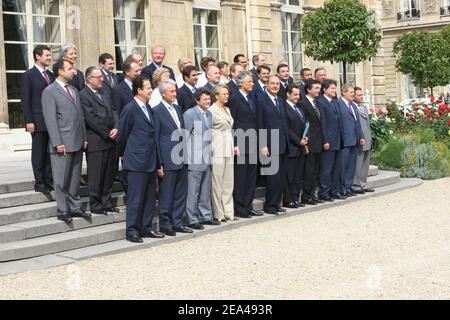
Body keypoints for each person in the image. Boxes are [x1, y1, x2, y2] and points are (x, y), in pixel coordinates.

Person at [117, 76, 164, 243]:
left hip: (150, 160)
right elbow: (122, 135)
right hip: (136, 160)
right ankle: (132, 230)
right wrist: (123, 154)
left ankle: (146, 227)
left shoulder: (148, 108)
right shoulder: (130, 109)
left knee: (150, 197)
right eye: (148, 88)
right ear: (139, 90)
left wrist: (158, 163)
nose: (151, 90)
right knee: (135, 197)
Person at [42, 59, 89, 223]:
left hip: (77, 141)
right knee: (61, 179)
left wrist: (84, 137)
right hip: (62, 142)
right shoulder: (50, 91)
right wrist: (57, 142)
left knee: (75, 178)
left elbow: (80, 116)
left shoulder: (74, 90)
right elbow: (51, 119)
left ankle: (75, 207)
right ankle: (63, 210)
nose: (73, 71)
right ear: (60, 71)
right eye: (69, 68)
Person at [153, 79, 192, 236]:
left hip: (181, 156)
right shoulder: (156, 110)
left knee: (180, 193)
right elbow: (156, 138)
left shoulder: (178, 108)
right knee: (167, 194)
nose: (175, 94)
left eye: (175, 91)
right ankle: (165, 223)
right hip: (167, 158)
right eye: (171, 91)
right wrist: (159, 162)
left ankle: (177, 221)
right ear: (163, 93)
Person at [80, 67, 119, 215]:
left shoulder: (104, 92)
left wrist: (116, 127)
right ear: (89, 79)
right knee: (96, 174)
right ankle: (96, 204)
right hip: (97, 140)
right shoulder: (83, 94)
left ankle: (106, 201)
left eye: (101, 77)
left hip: (111, 139)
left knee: (109, 173)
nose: (101, 79)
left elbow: (114, 111)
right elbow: (90, 118)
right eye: (98, 77)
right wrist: (107, 132)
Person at [228, 71, 263, 219]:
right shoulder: (235, 98)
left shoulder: (252, 97)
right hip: (241, 142)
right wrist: (235, 144)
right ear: (240, 83)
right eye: (249, 81)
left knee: (251, 177)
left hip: (253, 141)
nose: (252, 84)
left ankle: (248, 206)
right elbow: (232, 122)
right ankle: (239, 206)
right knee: (241, 177)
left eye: (253, 81)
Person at [21, 45, 55, 193]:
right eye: (47, 55)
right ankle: (39, 182)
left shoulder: (51, 75)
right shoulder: (29, 75)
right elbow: (25, 99)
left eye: (50, 55)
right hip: (37, 120)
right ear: (38, 57)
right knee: (39, 153)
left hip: (51, 120)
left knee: (49, 153)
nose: (49, 58)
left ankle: (49, 180)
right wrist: (29, 120)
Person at [183, 88, 219, 229]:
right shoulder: (190, 114)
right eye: (204, 99)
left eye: (209, 99)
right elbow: (185, 136)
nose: (208, 101)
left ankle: (205, 216)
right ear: (197, 100)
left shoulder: (209, 114)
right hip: (194, 158)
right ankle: (191, 219)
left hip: (207, 157)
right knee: (193, 191)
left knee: (205, 189)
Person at [258, 75, 289, 215]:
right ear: (267, 85)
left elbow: (284, 123)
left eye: (277, 84)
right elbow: (260, 124)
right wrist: (263, 145)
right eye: (272, 83)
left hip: (282, 143)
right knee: (271, 177)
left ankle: (277, 203)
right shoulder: (261, 100)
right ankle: (270, 205)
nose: (275, 86)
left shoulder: (281, 101)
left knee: (280, 177)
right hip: (269, 144)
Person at [209, 84, 238, 223]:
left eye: (227, 93)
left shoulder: (227, 109)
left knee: (228, 183)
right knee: (217, 183)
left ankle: (229, 212)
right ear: (216, 95)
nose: (227, 96)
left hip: (229, 148)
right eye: (224, 94)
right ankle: (218, 213)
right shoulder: (211, 110)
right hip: (217, 148)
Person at [316, 79, 345, 201]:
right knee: (326, 169)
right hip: (328, 141)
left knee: (336, 168)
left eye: (335, 88)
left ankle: (334, 190)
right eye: (332, 88)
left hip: (338, 140)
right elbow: (322, 123)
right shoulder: (320, 102)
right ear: (324, 89)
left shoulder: (334, 102)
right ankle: (324, 192)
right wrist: (325, 140)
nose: (334, 90)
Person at [338, 84, 365, 197]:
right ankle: (342, 188)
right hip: (345, 141)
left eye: (353, 93)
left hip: (354, 140)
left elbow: (357, 123)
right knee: (343, 166)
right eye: (350, 92)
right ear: (344, 93)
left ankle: (348, 188)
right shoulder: (338, 105)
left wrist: (361, 136)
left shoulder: (353, 106)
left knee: (351, 167)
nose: (353, 94)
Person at [283, 84, 308, 209]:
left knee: (298, 175)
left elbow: (304, 126)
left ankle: (295, 198)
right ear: (288, 94)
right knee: (290, 175)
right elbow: (287, 129)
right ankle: (288, 199)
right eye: (295, 94)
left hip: (300, 147)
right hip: (291, 147)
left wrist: (305, 138)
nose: (298, 97)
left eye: (299, 94)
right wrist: (298, 141)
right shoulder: (285, 108)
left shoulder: (299, 109)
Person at [300, 79, 324, 205]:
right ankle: (306, 196)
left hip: (318, 141)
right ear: (308, 89)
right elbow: (303, 124)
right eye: (315, 88)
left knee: (315, 171)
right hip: (310, 142)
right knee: (309, 171)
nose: (318, 90)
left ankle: (312, 194)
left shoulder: (317, 103)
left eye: (319, 88)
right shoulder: (303, 103)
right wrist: (305, 141)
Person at [352, 87, 375, 194]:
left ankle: (363, 184)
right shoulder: (352, 107)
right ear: (353, 96)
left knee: (365, 164)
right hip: (360, 139)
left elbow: (367, 125)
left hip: (367, 139)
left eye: (362, 95)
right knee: (358, 163)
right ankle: (356, 185)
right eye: (359, 95)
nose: (361, 97)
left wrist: (370, 138)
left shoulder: (364, 107)